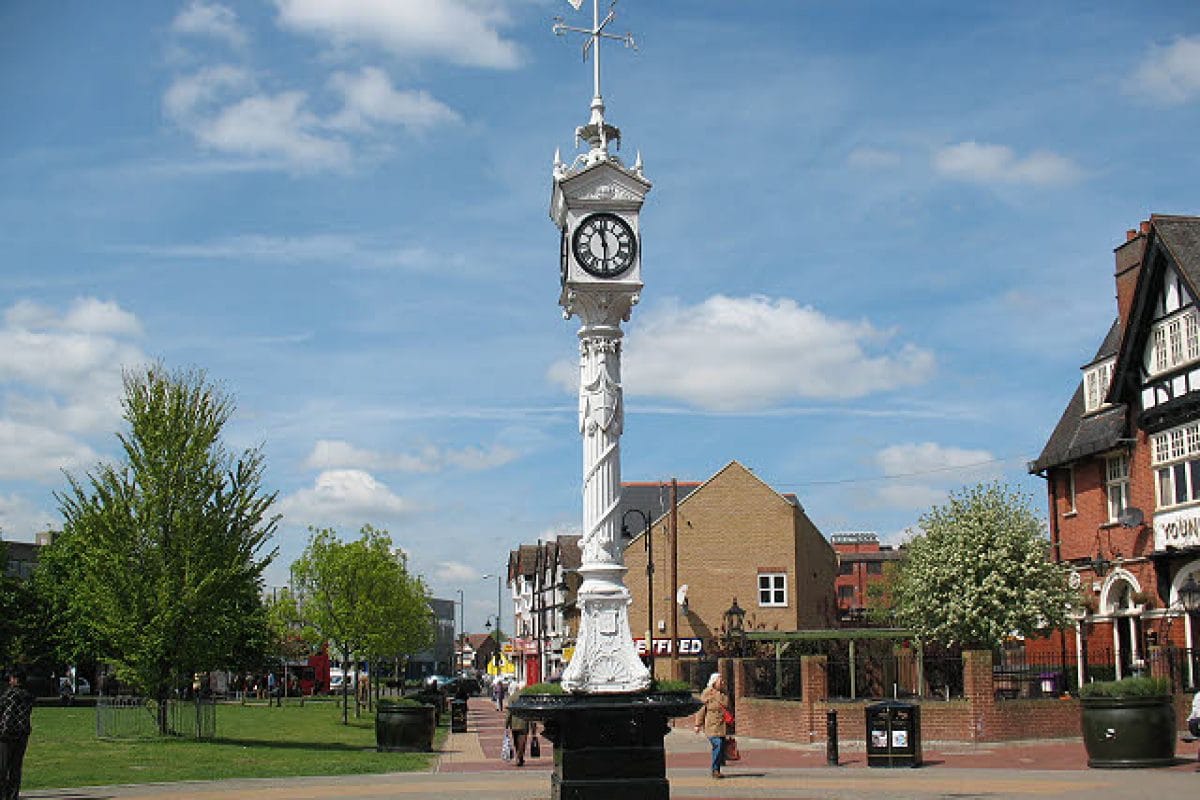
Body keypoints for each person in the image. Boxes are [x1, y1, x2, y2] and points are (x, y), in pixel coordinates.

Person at [0, 668, 35, 800]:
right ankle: (13, 794)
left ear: (15, 679)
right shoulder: (28, 696)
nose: (9, 680)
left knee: (3, 767)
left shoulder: (9, 695)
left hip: (7, 734)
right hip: (22, 734)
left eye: (11, 678)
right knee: (16, 767)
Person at [693, 672, 731, 779]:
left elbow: (727, 706)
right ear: (714, 682)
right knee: (717, 744)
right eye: (720, 680)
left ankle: (717, 769)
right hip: (711, 725)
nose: (722, 682)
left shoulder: (724, 693)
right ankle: (715, 769)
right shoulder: (707, 693)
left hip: (722, 725)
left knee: (721, 747)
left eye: (722, 680)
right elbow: (701, 710)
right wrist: (697, 724)